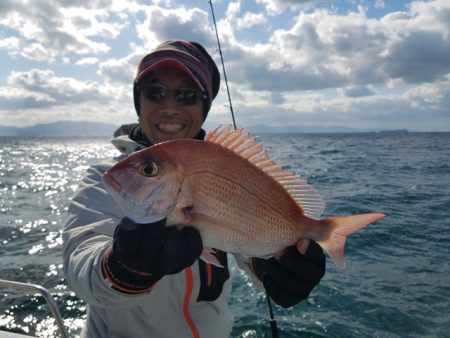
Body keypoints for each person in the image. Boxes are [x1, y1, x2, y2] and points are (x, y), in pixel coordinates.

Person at [63, 40, 326, 338]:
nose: (170, 107)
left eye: (186, 95)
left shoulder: (225, 169)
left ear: (204, 106)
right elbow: (79, 267)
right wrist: (122, 268)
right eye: (155, 93)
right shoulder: (106, 179)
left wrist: (276, 269)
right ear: (139, 102)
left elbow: (246, 241)